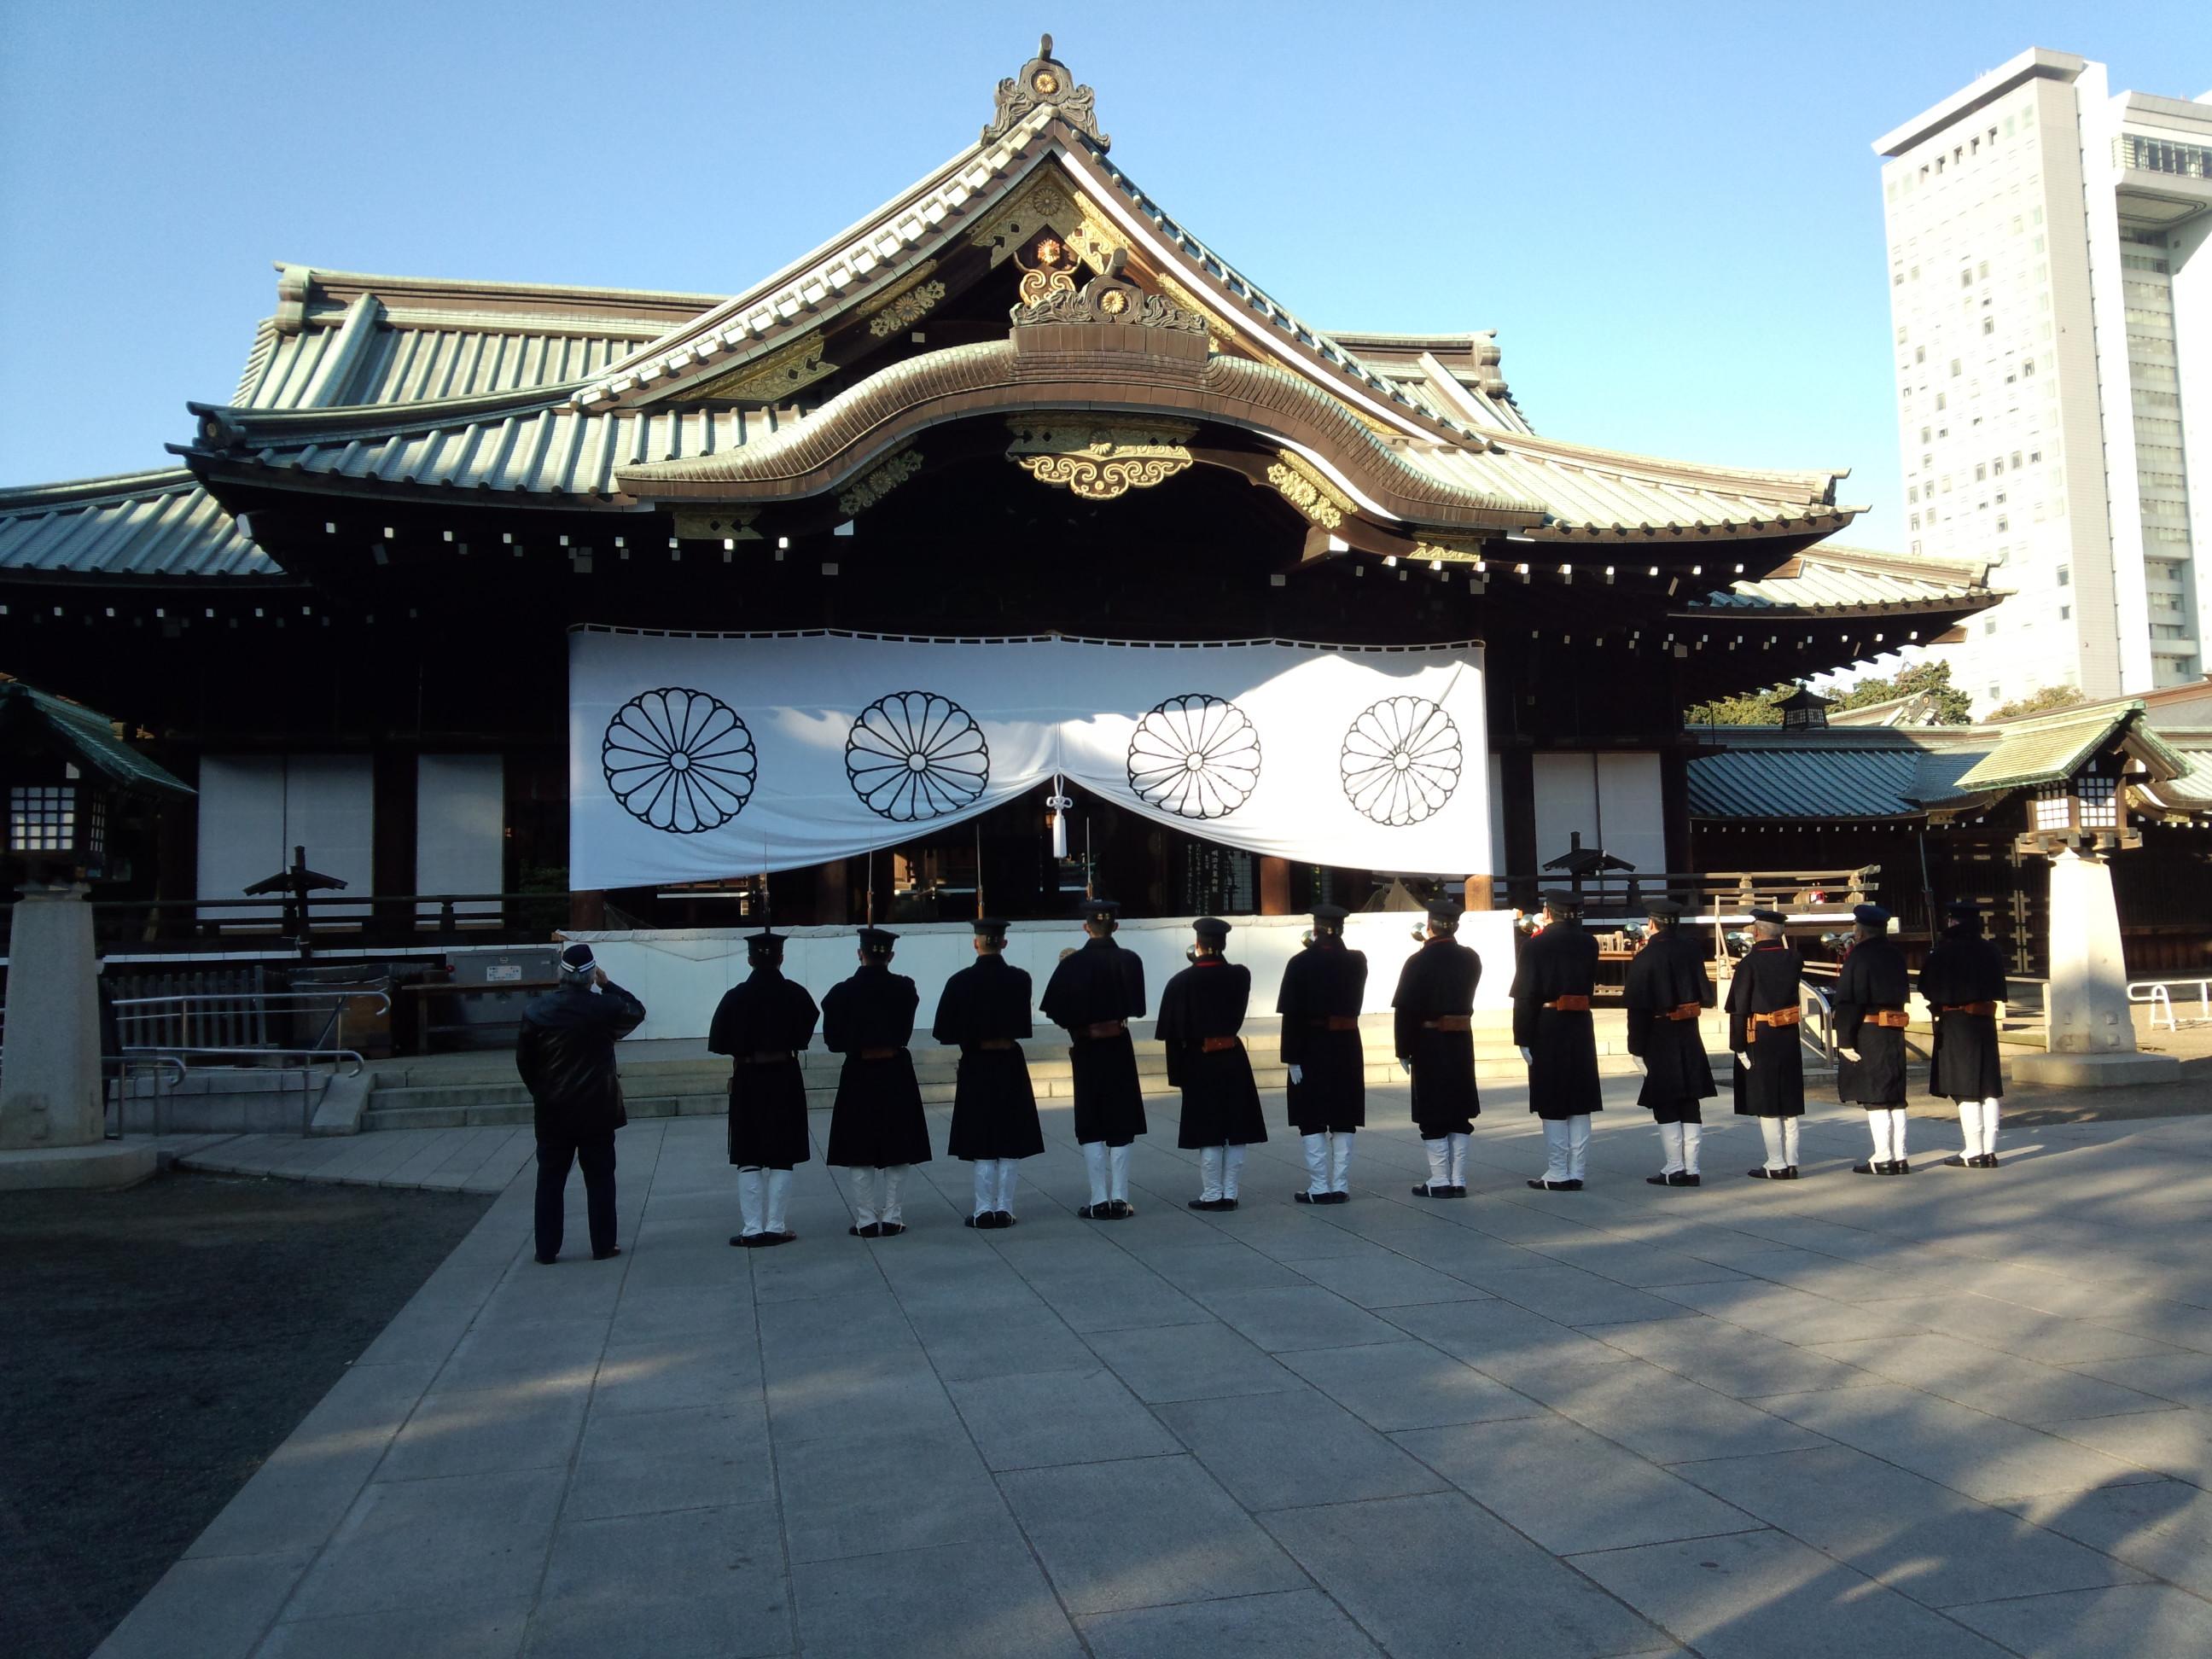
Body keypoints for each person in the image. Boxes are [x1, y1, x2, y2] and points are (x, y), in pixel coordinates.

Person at [515, 942, 646, 1264]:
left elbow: (525, 1062)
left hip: (553, 1108)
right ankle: (603, 1244)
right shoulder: (604, 1008)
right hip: (597, 1107)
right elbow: (636, 1010)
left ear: (560, 974)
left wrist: (541, 1091)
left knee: (550, 1180)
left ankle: (546, 1248)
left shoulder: (536, 1011)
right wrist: (608, 984)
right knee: (600, 1178)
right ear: (590, 976)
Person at [707, 929, 819, 1247]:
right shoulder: (797, 995)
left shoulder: (735, 996)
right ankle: (776, 1225)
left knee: (749, 1153)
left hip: (748, 1077)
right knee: (783, 1153)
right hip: (785, 1073)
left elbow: (718, 1040)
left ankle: (752, 1228)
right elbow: (808, 1027)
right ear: (781, 958)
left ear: (750, 959)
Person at [1040, 897, 1148, 1220]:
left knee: (1091, 1119)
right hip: (1118, 1044)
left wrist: (1079, 1025)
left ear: (1086, 927)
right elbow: (1138, 1008)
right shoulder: (1130, 960)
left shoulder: (1071, 965)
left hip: (1086, 1046)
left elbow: (1055, 1010)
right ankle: (1120, 1197)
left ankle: (1099, 1198)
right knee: (1121, 1118)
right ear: (1115, 926)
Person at [934, 917, 1044, 1229]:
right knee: (1009, 1134)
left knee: (981, 1134)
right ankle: (1005, 1207)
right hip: (1009, 1058)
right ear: (1004, 943)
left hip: (976, 1061)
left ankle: (983, 1208)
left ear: (976, 942)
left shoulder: (959, 981)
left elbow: (943, 1030)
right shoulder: (1020, 979)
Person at [822, 928, 930, 1237]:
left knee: (859, 1146)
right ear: (890, 955)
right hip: (895, 1069)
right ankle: (894, 1215)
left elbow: (832, 1040)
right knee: (898, 1144)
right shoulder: (904, 988)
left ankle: (866, 1219)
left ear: (860, 953)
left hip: (859, 1070)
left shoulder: (841, 992)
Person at [1159, 917, 1267, 1211]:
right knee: (1236, 1127)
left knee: (1209, 1129)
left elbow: (1172, 1036)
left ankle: (1212, 1193)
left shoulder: (1181, 982)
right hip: (1233, 1056)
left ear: (1197, 944)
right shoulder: (1239, 976)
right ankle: (1230, 1192)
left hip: (1198, 1060)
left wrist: (1178, 1076)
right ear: (1223, 944)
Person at [1621, 896, 1715, 1187]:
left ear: (1652, 923)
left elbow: (1637, 1009)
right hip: (1688, 1030)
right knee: (1690, 1101)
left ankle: (1674, 1167)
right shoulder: (1691, 950)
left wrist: (1635, 1048)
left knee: (1665, 1101)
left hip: (1659, 1033)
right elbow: (1705, 994)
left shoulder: (1646, 957)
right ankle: (1693, 1168)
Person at [1513, 891, 1604, 1190]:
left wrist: (1522, 1036)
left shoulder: (1535, 945)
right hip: (1580, 1023)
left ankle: (1557, 1171)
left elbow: (1526, 995)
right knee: (1580, 1100)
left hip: (1548, 1023)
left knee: (1552, 1099)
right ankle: (1577, 1171)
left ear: (1547, 912)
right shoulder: (1589, 943)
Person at [1277, 902, 1366, 1203]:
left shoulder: (1300, 962)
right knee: (1344, 1115)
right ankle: (1340, 1185)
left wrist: (1290, 1056)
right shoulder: (1357, 961)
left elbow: (1291, 1014)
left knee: (1311, 1116)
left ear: (1315, 929)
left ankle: (1319, 1186)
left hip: (1311, 1045)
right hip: (1346, 1045)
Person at [1391, 899, 1481, 1198]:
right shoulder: (1471, 958)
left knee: (1432, 1110)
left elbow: (1404, 1010)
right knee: (1459, 1109)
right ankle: (1459, 1179)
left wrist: (1403, 1049)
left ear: (1429, 926)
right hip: (1460, 1042)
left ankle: (1439, 1178)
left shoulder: (1417, 961)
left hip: (1428, 1041)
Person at [1921, 898, 2007, 1168]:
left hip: (1957, 1021)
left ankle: (1973, 1150)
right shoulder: (1990, 949)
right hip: (1984, 1021)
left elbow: (1926, 986)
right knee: (1988, 1086)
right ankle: (1989, 1149)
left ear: (1953, 922)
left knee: (1965, 1087)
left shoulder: (1945, 952)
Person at [1833, 903, 1913, 1176]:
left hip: (1869, 1030)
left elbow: (1849, 1000)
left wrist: (1844, 1039)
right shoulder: (1896, 954)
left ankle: (1883, 1156)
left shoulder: (1860, 957)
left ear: (1861, 931)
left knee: (1876, 1094)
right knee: (1895, 1093)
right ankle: (1900, 1155)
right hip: (1894, 1027)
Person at [1728, 908, 1807, 1179]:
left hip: (1761, 1033)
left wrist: (1738, 1044)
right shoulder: (1794, 958)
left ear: (1756, 931)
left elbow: (1739, 1008)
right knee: (1789, 1098)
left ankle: (1776, 1162)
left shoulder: (1750, 963)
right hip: (1788, 1032)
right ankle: (1792, 1161)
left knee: (1768, 1099)